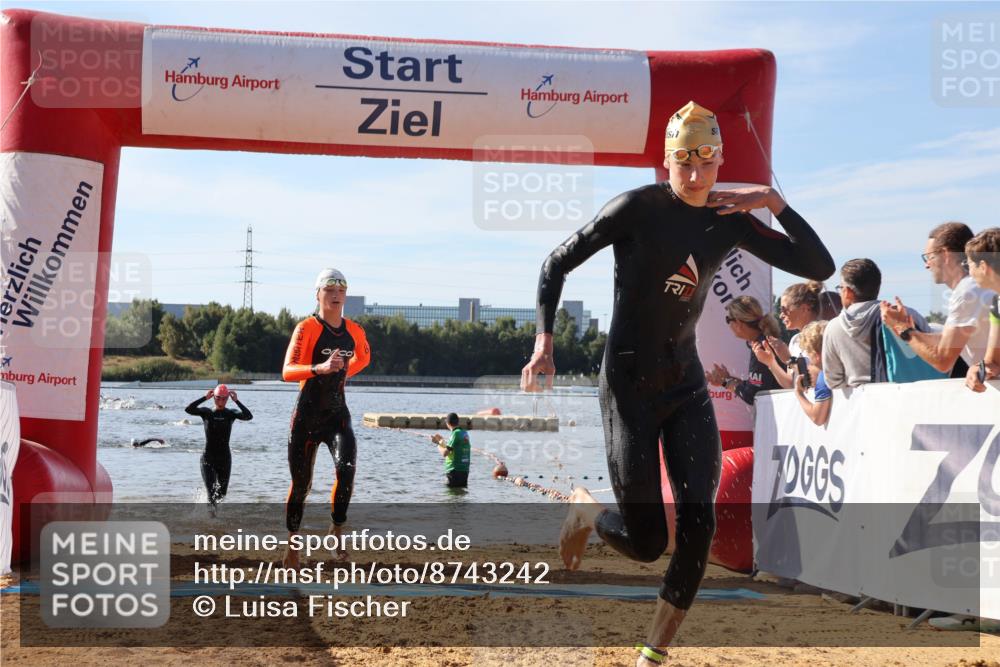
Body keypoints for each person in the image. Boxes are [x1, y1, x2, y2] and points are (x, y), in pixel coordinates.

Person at [520, 100, 834, 666]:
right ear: (667, 162)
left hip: (685, 382)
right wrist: (545, 341)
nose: (693, 177)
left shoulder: (732, 219)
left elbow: (820, 263)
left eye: (705, 162)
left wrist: (772, 202)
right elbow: (555, 263)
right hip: (629, 383)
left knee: (699, 518)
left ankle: (653, 654)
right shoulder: (636, 208)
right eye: (682, 164)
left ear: (719, 161)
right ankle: (586, 510)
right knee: (646, 544)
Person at [281, 269, 370, 568]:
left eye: (341, 290)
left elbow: (365, 358)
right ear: (317, 294)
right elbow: (287, 371)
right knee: (301, 484)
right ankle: (293, 543)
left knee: (347, 470)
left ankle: (337, 529)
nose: (336, 294)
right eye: (329, 289)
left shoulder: (355, 331)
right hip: (306, 416)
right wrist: (319, 368)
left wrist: (342, 372)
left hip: (337, 416)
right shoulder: (307, 328)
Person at [882, 223, 994, 377]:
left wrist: (902, 329)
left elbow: (943, 361)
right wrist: (909, 328)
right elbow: (947, 339)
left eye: (929, 257)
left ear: (945, 254)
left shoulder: (967, 291)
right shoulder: (975, 287)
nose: (927, 265)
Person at [822, 258, 930, 388]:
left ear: (848, 292)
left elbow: (833, 380)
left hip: (862, 403)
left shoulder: (834, 327)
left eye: (840, 288)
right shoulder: (904, 315)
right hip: (910, 394)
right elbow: (932, 353)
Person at [184, 384, 252, 512]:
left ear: (227, 398)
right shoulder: (207, 413)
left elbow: (248, 416)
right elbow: (188, 409)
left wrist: (237, 401)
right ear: (214, 397)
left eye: (224, 398)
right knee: (211, 493)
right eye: (218, 398)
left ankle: (211, 515)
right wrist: (204, 398)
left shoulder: (231, 414)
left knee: (221, 494)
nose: (221, 401)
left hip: (225, 459)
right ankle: (212, 522)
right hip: (208, 458)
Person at [705, 296, 783, 405]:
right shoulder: (763, 341)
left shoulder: (761, 346)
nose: (728, 324)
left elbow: (752, 396)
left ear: (738, 323)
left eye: (728, 320)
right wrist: (728, 378)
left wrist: (725, 382)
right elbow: (757, 386)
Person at [757, 281, 827, 389]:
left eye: (784, 310)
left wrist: (789, 359)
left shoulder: (825, 335)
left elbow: (820, 380)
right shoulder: (795, 341)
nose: (781, 315)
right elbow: (791, 384)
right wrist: (771, 363)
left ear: (804, 308)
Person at [964, 227, 1000, 392]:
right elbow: (993, 361)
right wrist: (978, 368)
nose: (969, 272)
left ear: (983, 266)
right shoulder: (997, 303)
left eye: (969, 264)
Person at [791, 320, 832, 426]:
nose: (808, 357)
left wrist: (798, 393)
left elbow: (817, 418)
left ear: (815, 354)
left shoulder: (824, 376)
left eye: (807, 352)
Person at [431, 412, 471, 488]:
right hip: (464, 471)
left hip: (454, 471)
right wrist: (441, 441)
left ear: (447, 423)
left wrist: (437, 444)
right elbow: (453, 448)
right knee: (460, 496)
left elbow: (445, 453)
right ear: (458, 421)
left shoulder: (455, 434)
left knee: (450, 497)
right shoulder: (464, 433)